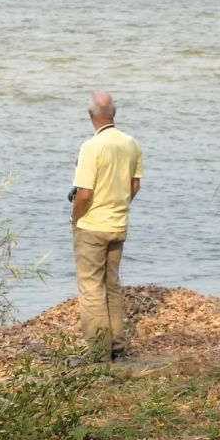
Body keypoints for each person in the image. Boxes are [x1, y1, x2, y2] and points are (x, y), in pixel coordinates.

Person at [70, 91, 142, 360]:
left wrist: (74, 217)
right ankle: (117, 346)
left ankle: (99, 352)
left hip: (91, 226)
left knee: (91, 287)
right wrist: (119, 204)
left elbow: (84, 193)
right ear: (115, 113)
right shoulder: (131, 143)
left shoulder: (91, 147)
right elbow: (135, 185)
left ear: (91, 116)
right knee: (111, 284)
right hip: (118, 222)